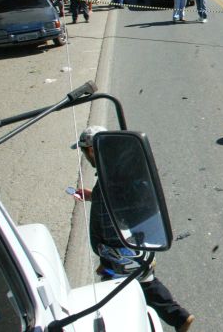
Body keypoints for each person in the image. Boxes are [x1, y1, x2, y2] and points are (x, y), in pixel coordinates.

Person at [72, 126, 195, 332]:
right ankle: (178, 316)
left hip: (122, 249)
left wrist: (109, 257)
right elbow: (116, 202)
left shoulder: (111, 176)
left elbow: (110, 220)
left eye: (84, 151)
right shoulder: (116, 170)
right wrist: (92, 196)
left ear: (92, 150)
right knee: (145, 282)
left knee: (128, 290)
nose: (85, 156)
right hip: (132, 242)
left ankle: (177, 317)